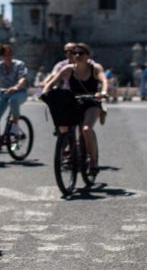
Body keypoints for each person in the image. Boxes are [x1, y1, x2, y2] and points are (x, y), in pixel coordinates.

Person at [41, 41, 109, 176]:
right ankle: (71, 151)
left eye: (81, 53)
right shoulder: (68, 69)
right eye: (74, 53)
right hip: (75, 102)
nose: (77, 55)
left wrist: (103, 92)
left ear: (88, 55)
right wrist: (45, 93)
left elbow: (104, 81)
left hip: (91, 102)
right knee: (64, 127)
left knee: (86, 129)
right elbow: (52, 82)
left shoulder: (95, 68)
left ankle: (94, 162)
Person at [0, 44, 29, 133]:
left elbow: (23, 78)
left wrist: (16, 87)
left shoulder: (19, 64)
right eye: (5, 54)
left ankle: (15, 126)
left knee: (13, 100)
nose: (8, 56)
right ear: (1, 56)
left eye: (10, 54)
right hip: (4, 93)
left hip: (19, 92)